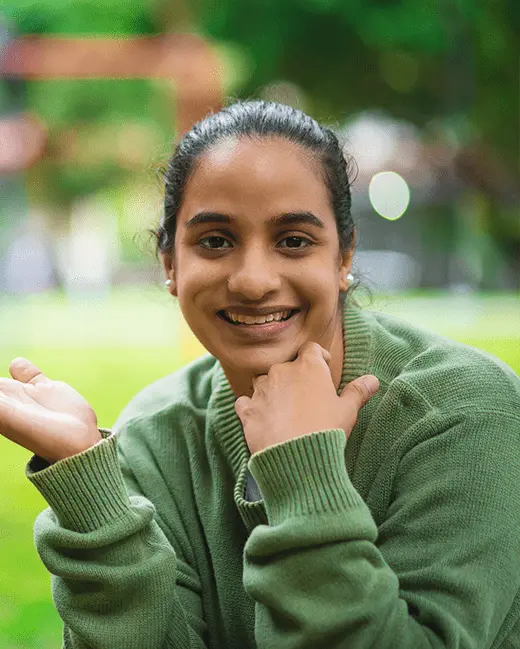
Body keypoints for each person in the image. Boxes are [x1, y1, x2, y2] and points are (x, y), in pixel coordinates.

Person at [1, 101, 520, 649]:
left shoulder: (464, 413)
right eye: (216, 241)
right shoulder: (154, 437)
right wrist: (90, 493)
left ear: (343, 258)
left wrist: (304, 476)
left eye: (293, 240)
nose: (253, 280)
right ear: (170, 265)